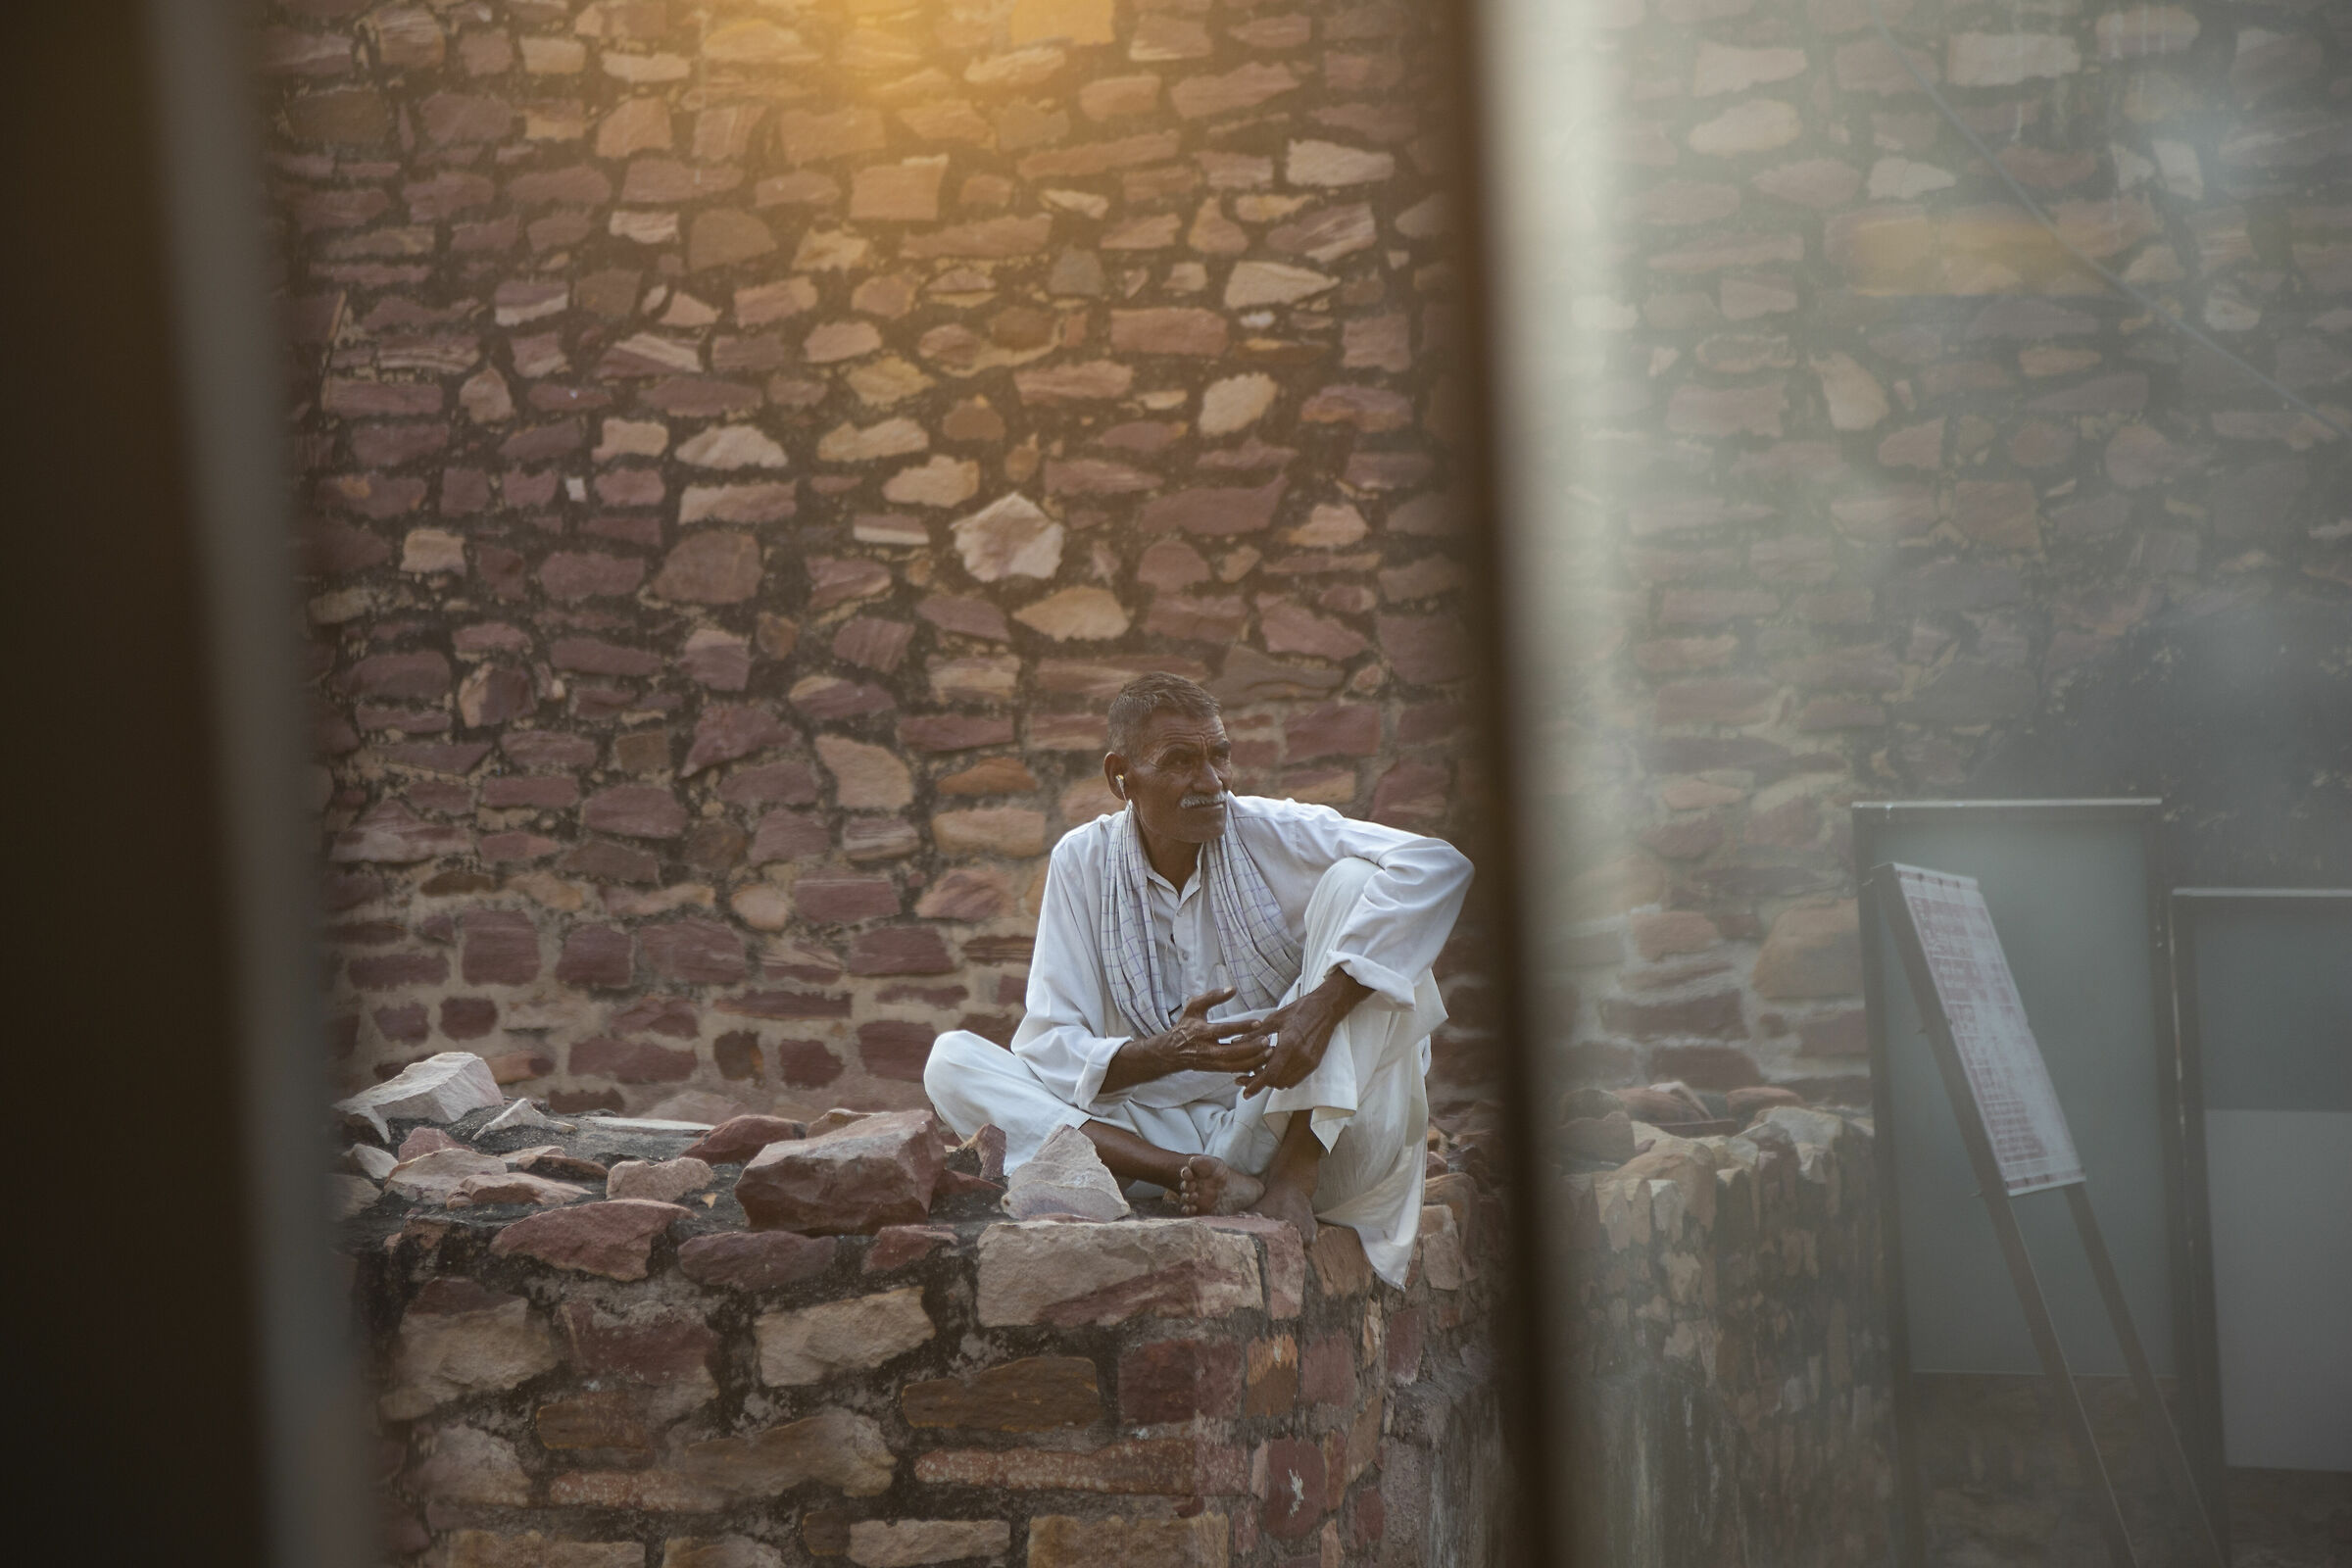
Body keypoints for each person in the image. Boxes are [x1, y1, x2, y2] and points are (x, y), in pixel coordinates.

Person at [923, 672, 1473, 1285]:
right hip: (1153, 1140)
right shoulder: (1082, 862)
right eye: (1182, 762)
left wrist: (1322, 1006)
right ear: (1120, 778)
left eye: (1220, 756)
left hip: (1305, 1133)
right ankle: (1187, 1175)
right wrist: (1161, 1055)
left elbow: (1437, 864)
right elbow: (1052, 1043)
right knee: (951, 1061)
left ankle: (1290, 1178)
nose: (1211, 783)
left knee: (1357, 887)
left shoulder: (1275, 832)